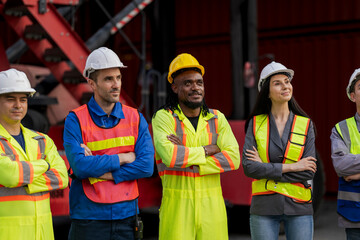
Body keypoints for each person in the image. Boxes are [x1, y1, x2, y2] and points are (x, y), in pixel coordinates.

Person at [63, 47, 154, 240]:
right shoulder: (76, 119)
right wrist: (123, 157)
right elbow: (80, 167)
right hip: (88, 218)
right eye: (108, 79)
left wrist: (104, 172)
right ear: (91, 83)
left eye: (118, 77)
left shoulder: (135, 117)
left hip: (127, 217)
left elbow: (146, 167)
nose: (116, 85)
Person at [152, 53, 240, 240]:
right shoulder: (163, 117)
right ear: (174, 87)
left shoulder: (217, 118)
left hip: (212, 210)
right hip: (177, 210)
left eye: (199, 82)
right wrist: (209, 150)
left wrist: (187, 156)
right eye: (188, 83)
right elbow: (171, 157)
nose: (195, 88)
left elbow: (233, 159)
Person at [242, 61, 317, 240]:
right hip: (264, 207)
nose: (285, 86)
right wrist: (292, 167)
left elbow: (308, 171)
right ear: (266, 92)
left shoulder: (306, 124)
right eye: (278, 83)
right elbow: (249, 168)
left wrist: (265, 168)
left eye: (287, 81)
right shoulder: (256, 123)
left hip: (299, 206)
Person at [0, 68, 68, 240]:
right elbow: (11, 175)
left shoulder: (42, 140)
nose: (18, 105)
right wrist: (45, 165)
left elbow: (61, 177)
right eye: (10, 99)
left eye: (23, 100)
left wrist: (25, 180)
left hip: (42, 234)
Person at [331, 68, 360, 240]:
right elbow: (341, 166)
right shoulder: (341, 129)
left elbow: (349, 171)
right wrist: (348, 173)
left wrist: (355, 174)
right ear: (352, 96)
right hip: (355, 214)